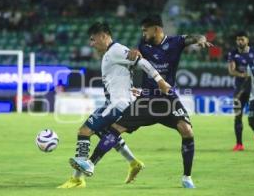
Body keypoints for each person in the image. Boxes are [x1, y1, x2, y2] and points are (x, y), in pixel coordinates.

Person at [73, 14, 213, 188]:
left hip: (167, 97)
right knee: (116, 128)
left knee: (187, 131)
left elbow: (194, 37)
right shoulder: (143, 45)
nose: (143, 33)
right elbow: (133, 57)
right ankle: (91, 163)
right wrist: (133, 54)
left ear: (156, 29)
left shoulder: (175, 42)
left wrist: (201, 40)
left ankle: (187, 177)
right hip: (146, 99)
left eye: (145, 30)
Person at [58, 22, 171, 188]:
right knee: (108, 135)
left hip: (117, 104)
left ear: (103, 36)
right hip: (117, 102)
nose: (91, 44)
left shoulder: (116, 50)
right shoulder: (110, 53)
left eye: (93, 39)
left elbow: (143, 63)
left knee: (84, 131)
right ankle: (134, 163)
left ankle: (77, 178)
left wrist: (160, 81)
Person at [227, 31, 254, 151]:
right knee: (237, 116)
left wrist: (251, 75)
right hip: (239, 90)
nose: (240, 42)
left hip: (253, 90)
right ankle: (239, 144)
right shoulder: (233, 53)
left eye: (242, 39)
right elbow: (231, 71)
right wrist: (243, 74)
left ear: (247, 40)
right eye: (238, 39)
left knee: (253, 119)